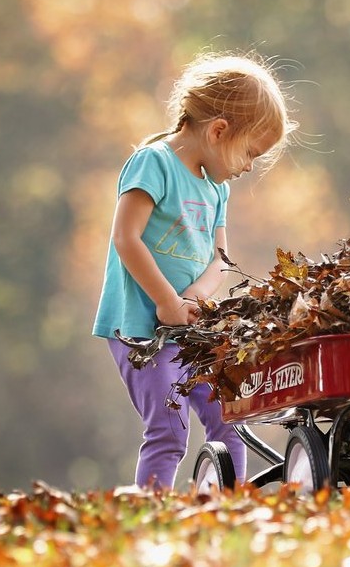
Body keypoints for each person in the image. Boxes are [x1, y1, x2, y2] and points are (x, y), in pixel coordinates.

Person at [93, 52, 297, 490]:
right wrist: (167, 301)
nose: (248, 168)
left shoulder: (215, 188)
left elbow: (219, 259)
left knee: (229, 415)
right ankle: (155, 512)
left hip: (189, 329)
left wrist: (195, 301)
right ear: (219, 130)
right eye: (250, 154)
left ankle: (229, 506)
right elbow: (126, 238)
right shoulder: (154, 163)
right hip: (140, 329)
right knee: (169, 429)